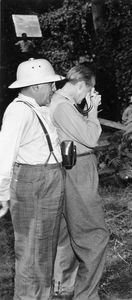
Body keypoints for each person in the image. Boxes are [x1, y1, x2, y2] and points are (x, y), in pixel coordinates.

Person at [0, 58, 65, 299]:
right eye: (51, 84)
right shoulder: (18, 111)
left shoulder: (41, 109)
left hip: (49, 178)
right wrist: (2, 193)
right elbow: (4, 153)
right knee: (30, 250)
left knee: (45, 246)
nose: (53, 89)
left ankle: (43, 295)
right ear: (36, 86)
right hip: (32, 181)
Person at [49, 64, 109, 299]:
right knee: (95, 235)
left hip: (72, 168)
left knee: (69, 234)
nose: (88, 96)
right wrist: (93, 111)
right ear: (81, 85)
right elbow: (91, 138)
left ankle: (64, 289)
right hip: (78, 170)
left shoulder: (62, 104)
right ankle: (87, 295)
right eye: (88, 90)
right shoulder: (63, 106)